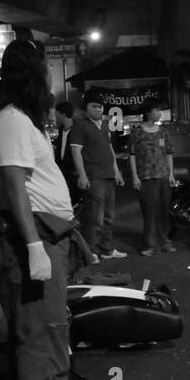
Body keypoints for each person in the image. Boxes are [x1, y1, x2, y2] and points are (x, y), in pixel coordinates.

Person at [0, 39, 84, 380]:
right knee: (40, 336)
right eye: (45, 68)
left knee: (51, 330)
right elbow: (14, 187)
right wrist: (33, 247)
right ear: (32, 72)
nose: (50, 76)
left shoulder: (23, 120)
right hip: (34, 237)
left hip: (49, 235)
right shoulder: (11, 122)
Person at [69, 90, 126, 260]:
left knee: (109, 216)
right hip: (93, 177)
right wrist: (82, 175)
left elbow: (109, 149)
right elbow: (75, 151)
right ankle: (91, 251)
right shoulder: (80, 125)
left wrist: (116, 172)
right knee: (95, 217)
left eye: (101, 106)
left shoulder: (104, 126)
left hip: (108, 175)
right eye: (94, 106)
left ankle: (107, 249)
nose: (99, 109)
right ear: (86, 108)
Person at [128, 100, 177, 255]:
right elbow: (132, 155)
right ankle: (150, 244)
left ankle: (164, 242)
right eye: (157, 110)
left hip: (163, 175)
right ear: (148, 113)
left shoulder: (163, 132)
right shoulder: (137, 133)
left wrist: (171, 174)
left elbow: (169, 153)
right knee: (149, 211)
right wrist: (134, 176)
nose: (159, 113)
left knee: (163, 210)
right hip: (145, 176)